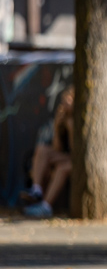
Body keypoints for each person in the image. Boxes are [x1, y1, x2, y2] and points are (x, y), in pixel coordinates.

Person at [21, 87, 74, 219]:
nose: (64, 104)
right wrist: (57, 126)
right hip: (66, 157)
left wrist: (70, 127)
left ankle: (45, 207)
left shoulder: (80, 120)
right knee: (42, 150)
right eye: (63, 101)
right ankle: (36, 190)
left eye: (68, 100)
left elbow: (76, 151)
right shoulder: (63, 118)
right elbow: (57, 148)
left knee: (62, 168)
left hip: (78, 161)